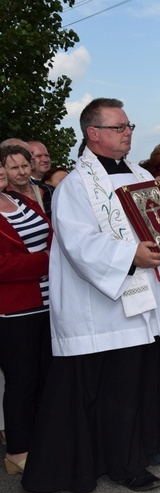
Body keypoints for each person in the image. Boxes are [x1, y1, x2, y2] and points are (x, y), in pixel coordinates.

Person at [21, 98, 160, 493]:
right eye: (119, 127)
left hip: (153, 295)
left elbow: (157, 221)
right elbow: (79, 243)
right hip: (110, 304)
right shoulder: (76, 185)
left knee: (158, 373)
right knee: (122, 387)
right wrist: (129, 256)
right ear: (93, 134)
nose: (128, 133)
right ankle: (125, 464)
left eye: (129, 126)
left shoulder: (138, 174)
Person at [0, 147, 53, 475]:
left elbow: (51, 235)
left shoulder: (21, 200)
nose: (4, 174)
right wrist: (48, 261)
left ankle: (43, 441)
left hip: (47, 303)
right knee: (22, 381)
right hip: (14, 310)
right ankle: (17, 451)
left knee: (46, 377)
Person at [2, 146, 52, 219]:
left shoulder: (48, 191)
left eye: (25, 166)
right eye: (15, 168)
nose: (22, 172)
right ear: (3, 170)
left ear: (31, 166)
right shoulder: (3, 198)